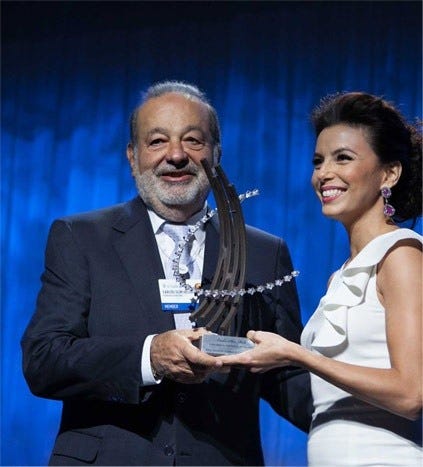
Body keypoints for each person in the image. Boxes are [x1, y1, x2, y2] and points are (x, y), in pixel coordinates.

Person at [21, 80, 311, 466]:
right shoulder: (81, 237)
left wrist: (369, 411)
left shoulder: (264, 253)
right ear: (132, 156)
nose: (176, 155)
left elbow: (286, 378)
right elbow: (44, 360)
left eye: (193, 140)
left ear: (216, 154)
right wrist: (150, 356)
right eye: (157, 141)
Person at [218, 92, 422, 466]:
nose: (324, 173)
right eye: (318, 161)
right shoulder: (341, 276)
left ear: (389, 173)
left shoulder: (401, 256)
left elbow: (411, 393)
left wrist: (297, 354)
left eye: (343, 158)